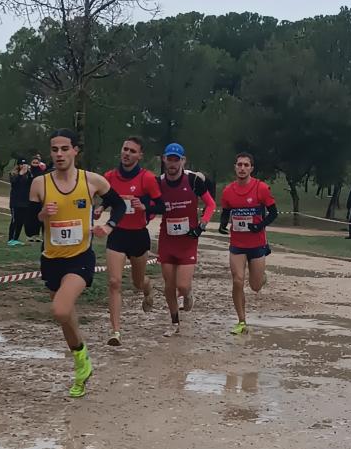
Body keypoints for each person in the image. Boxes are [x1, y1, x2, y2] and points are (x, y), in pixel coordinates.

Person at [29, 130, 113, 398]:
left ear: (76, 150)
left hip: (80, 257)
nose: (59, 154)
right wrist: (41, 214)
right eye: (54, 149)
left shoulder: (91, 181)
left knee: (61, 309)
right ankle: (82, 363)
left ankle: (82, 357)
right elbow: (29, 227)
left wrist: (108, 225)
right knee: (66, 318)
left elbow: (119, 206)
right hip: (51, 259)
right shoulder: (39, 184)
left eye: (65, 149)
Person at [102, 135, 163, 346]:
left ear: (140, 156)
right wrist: (100, 207)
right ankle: (116, 331)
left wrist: (147, 207)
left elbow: (161, 204)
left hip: (138, 235)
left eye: (132, 151)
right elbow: (105, 197)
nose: (127, 154)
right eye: (125, 149)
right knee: (114, 282)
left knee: (138, 283)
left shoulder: (147, 178)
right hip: (117, 235)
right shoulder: (109, 176)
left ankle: (148, 288)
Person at [156, 143, 217, 337]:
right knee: (169, 285)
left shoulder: (194, 180)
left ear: (183, 161)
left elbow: (211, 204)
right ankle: (174, 322)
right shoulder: (159, 182)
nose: (173, 163)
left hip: (188, 238)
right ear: (164, 160)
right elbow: (152, 208)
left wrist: (202, 225)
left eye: (177, 159)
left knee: (182, 285)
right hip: (167, 238)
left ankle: (188, 294)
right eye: (169, 159)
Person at [219, 152, 278, 336]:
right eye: (239, 165)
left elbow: (273, 213)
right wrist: (222, 225)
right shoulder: (228, 191)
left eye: (246, 165)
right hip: (237, 243)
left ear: (251, 168)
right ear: (235, 167)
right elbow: (226, 211)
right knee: (237, 280)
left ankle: (261, 278)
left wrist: (259, 225)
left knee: (255, 286)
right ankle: (241, 321)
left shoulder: (261, 188)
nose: (242, 168)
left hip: (257, 243)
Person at [8, 159, 32, 246]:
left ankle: (16, 239)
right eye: (21, 164)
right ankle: (10, 239)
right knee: (15, 220)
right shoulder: (13, 174)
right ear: (18, 165)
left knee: (21, 221)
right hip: (15, 202)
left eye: (25, 164)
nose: (23, 165)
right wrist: (21, 174)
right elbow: (14, 183)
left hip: (25, 202)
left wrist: (28, 172)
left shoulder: (29, 174)